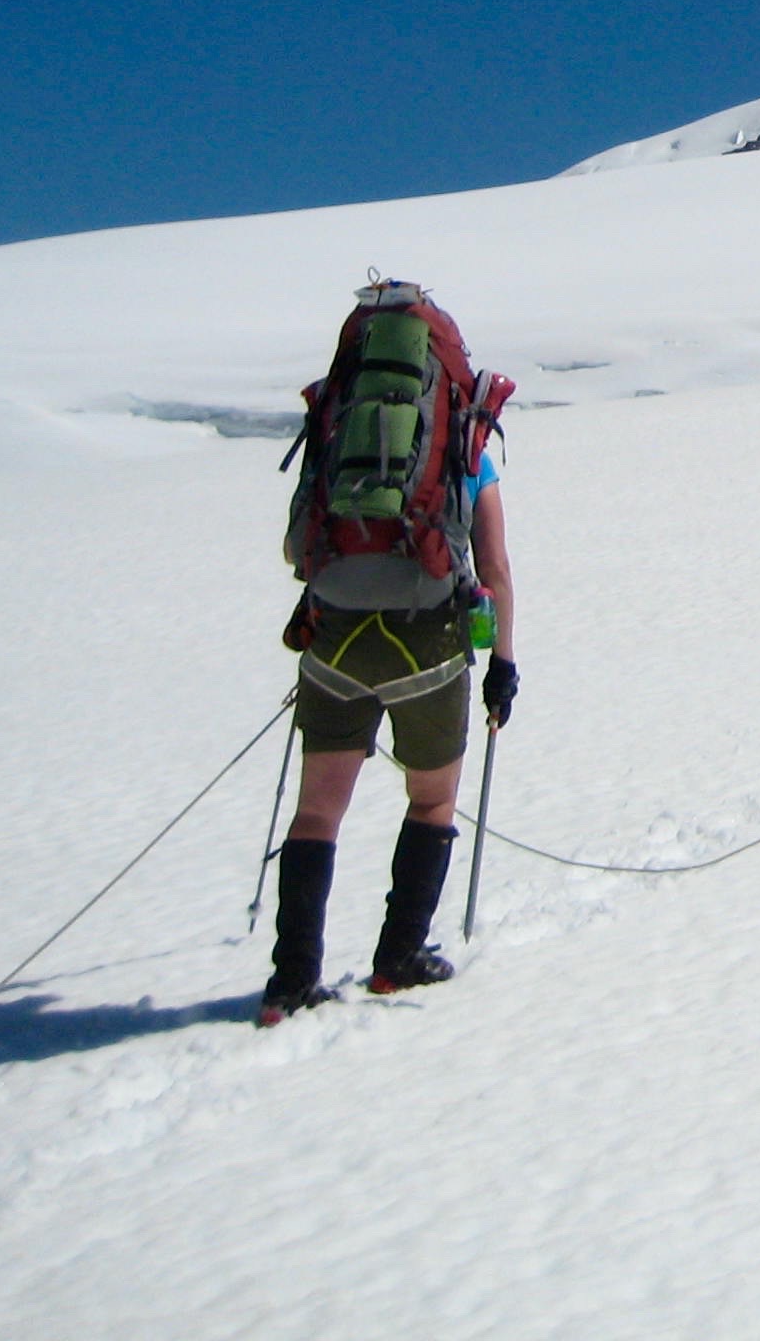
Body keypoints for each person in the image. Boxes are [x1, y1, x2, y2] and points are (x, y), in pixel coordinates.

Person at [262, 282, 519, 1024]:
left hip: (335, 631)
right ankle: (398, 957)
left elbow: (302, 532)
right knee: (433, 798)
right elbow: (496, 568)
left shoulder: (340, 423)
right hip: (428, 638)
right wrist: (501, 663)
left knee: (317, 812)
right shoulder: (458, 436)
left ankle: (290, 981)